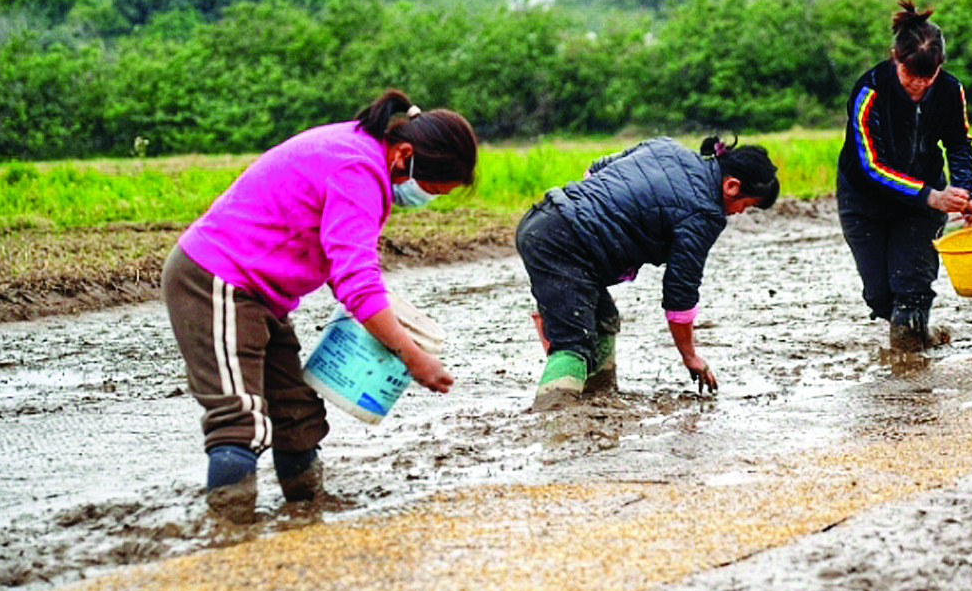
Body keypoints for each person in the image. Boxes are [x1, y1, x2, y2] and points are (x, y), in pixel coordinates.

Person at [161, 89, 478, 521]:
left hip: (263, 293)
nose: (425, 198)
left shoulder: (361, 153)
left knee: (297, 416)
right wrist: (411, 355)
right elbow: (358, 284)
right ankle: (229, 534)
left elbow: (341, 259)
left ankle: (307, 519)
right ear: (404, 154)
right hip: (215, 280)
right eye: (431, 189)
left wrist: (377, 315)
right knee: (239, 419)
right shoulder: (358, 170)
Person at [515, 135, 779, 409]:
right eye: (746, 206)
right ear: (731, 186)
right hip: (566, 245)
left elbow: (594, 171)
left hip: (543, 218)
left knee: (602, 320)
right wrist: (690, 356)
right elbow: (680, 294)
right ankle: (551, 420)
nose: (739, 212)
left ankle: (598, 402)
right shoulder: (706, 213)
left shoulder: (666, 146)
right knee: (572, 342)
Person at [837, 0, 972, 352]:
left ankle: (911, 363)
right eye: (910, 75)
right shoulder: (869, 92)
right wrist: (930, 195)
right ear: (895, 58)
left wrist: (964, 192)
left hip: (921, 206)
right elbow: (869, 166)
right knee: (880, 296)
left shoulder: (950, 90)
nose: (918, 86)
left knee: (912, 290)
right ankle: (923, 337)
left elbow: (959, 143)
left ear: (940, 67)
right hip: (865, 199)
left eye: (928, 77)